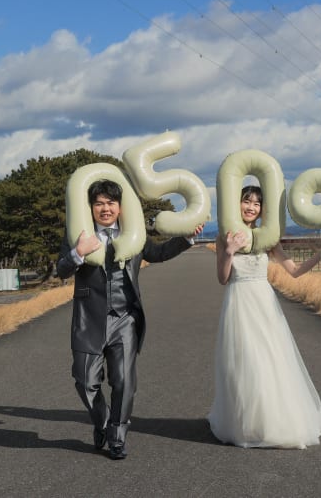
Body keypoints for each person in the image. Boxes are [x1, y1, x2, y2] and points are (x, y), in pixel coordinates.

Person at [57, 179, 203, 460]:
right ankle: (102, 421)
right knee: (85, 382)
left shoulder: (133, 233)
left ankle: (117, 437)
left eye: (111, 203)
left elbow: (158, 253)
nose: (105, 208)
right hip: (89, 319)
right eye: (99, 203)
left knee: (124, 382)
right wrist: (79, 252)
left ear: (120, 207)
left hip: (125, 318)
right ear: (90, 207)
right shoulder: (78, 233)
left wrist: (186, 238)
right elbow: (61, 269)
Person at [207, 185, 321, 449]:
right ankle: (246, 423)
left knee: (270, 359)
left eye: (256, 204)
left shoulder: (268, 239)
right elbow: (222, 278)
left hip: (264, 303)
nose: (251, 207)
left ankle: (274, 421)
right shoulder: (224, 237)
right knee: (244, 362)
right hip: (239, 302)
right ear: (236, 203)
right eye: (246, 201)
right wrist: (230, 251)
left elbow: (295, 271)